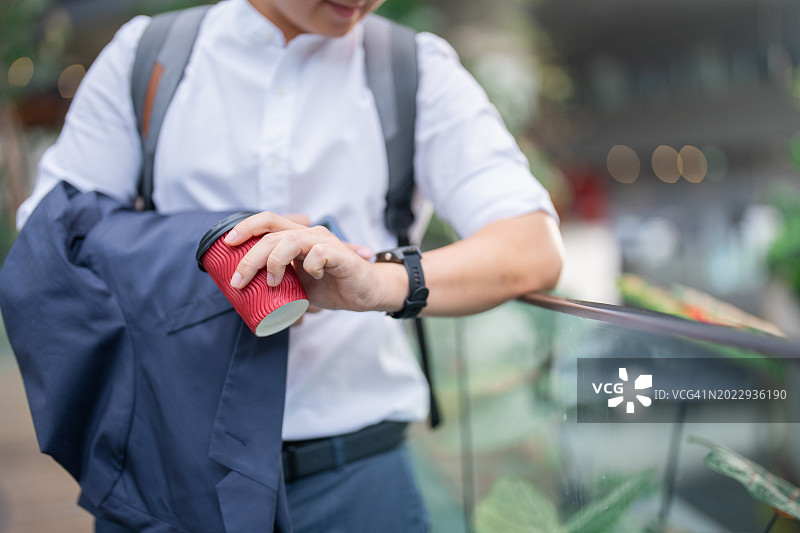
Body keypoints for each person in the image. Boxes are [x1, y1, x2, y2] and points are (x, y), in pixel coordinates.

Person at [16, 0, 564, 531]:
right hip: (172, 470)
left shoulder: (416, 69)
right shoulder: (150, 56)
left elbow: (532, 246)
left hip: (358, 476)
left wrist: (377, 281)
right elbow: (52, 240)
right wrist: (215, 268)